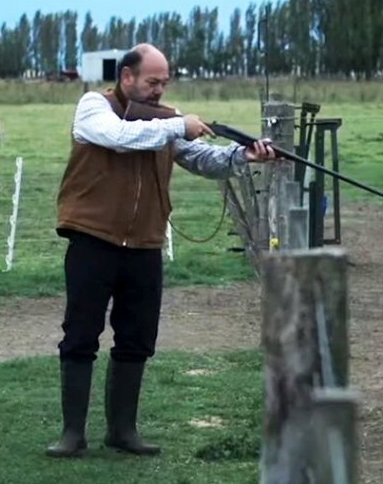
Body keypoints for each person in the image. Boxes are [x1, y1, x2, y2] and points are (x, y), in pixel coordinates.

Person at [46, 43, 278, 458]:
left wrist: (243, 154)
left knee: (137, 338)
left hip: (145, 243)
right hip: (92, 238)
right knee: (80, 335)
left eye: (164, 83)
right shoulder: (92, 107)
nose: (159, 90)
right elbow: (119, 138)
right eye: (152, 82)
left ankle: (122, 431)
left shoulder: (165, 121)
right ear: (127, 77)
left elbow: (203, 160)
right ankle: (71, 434)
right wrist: (177, 125)